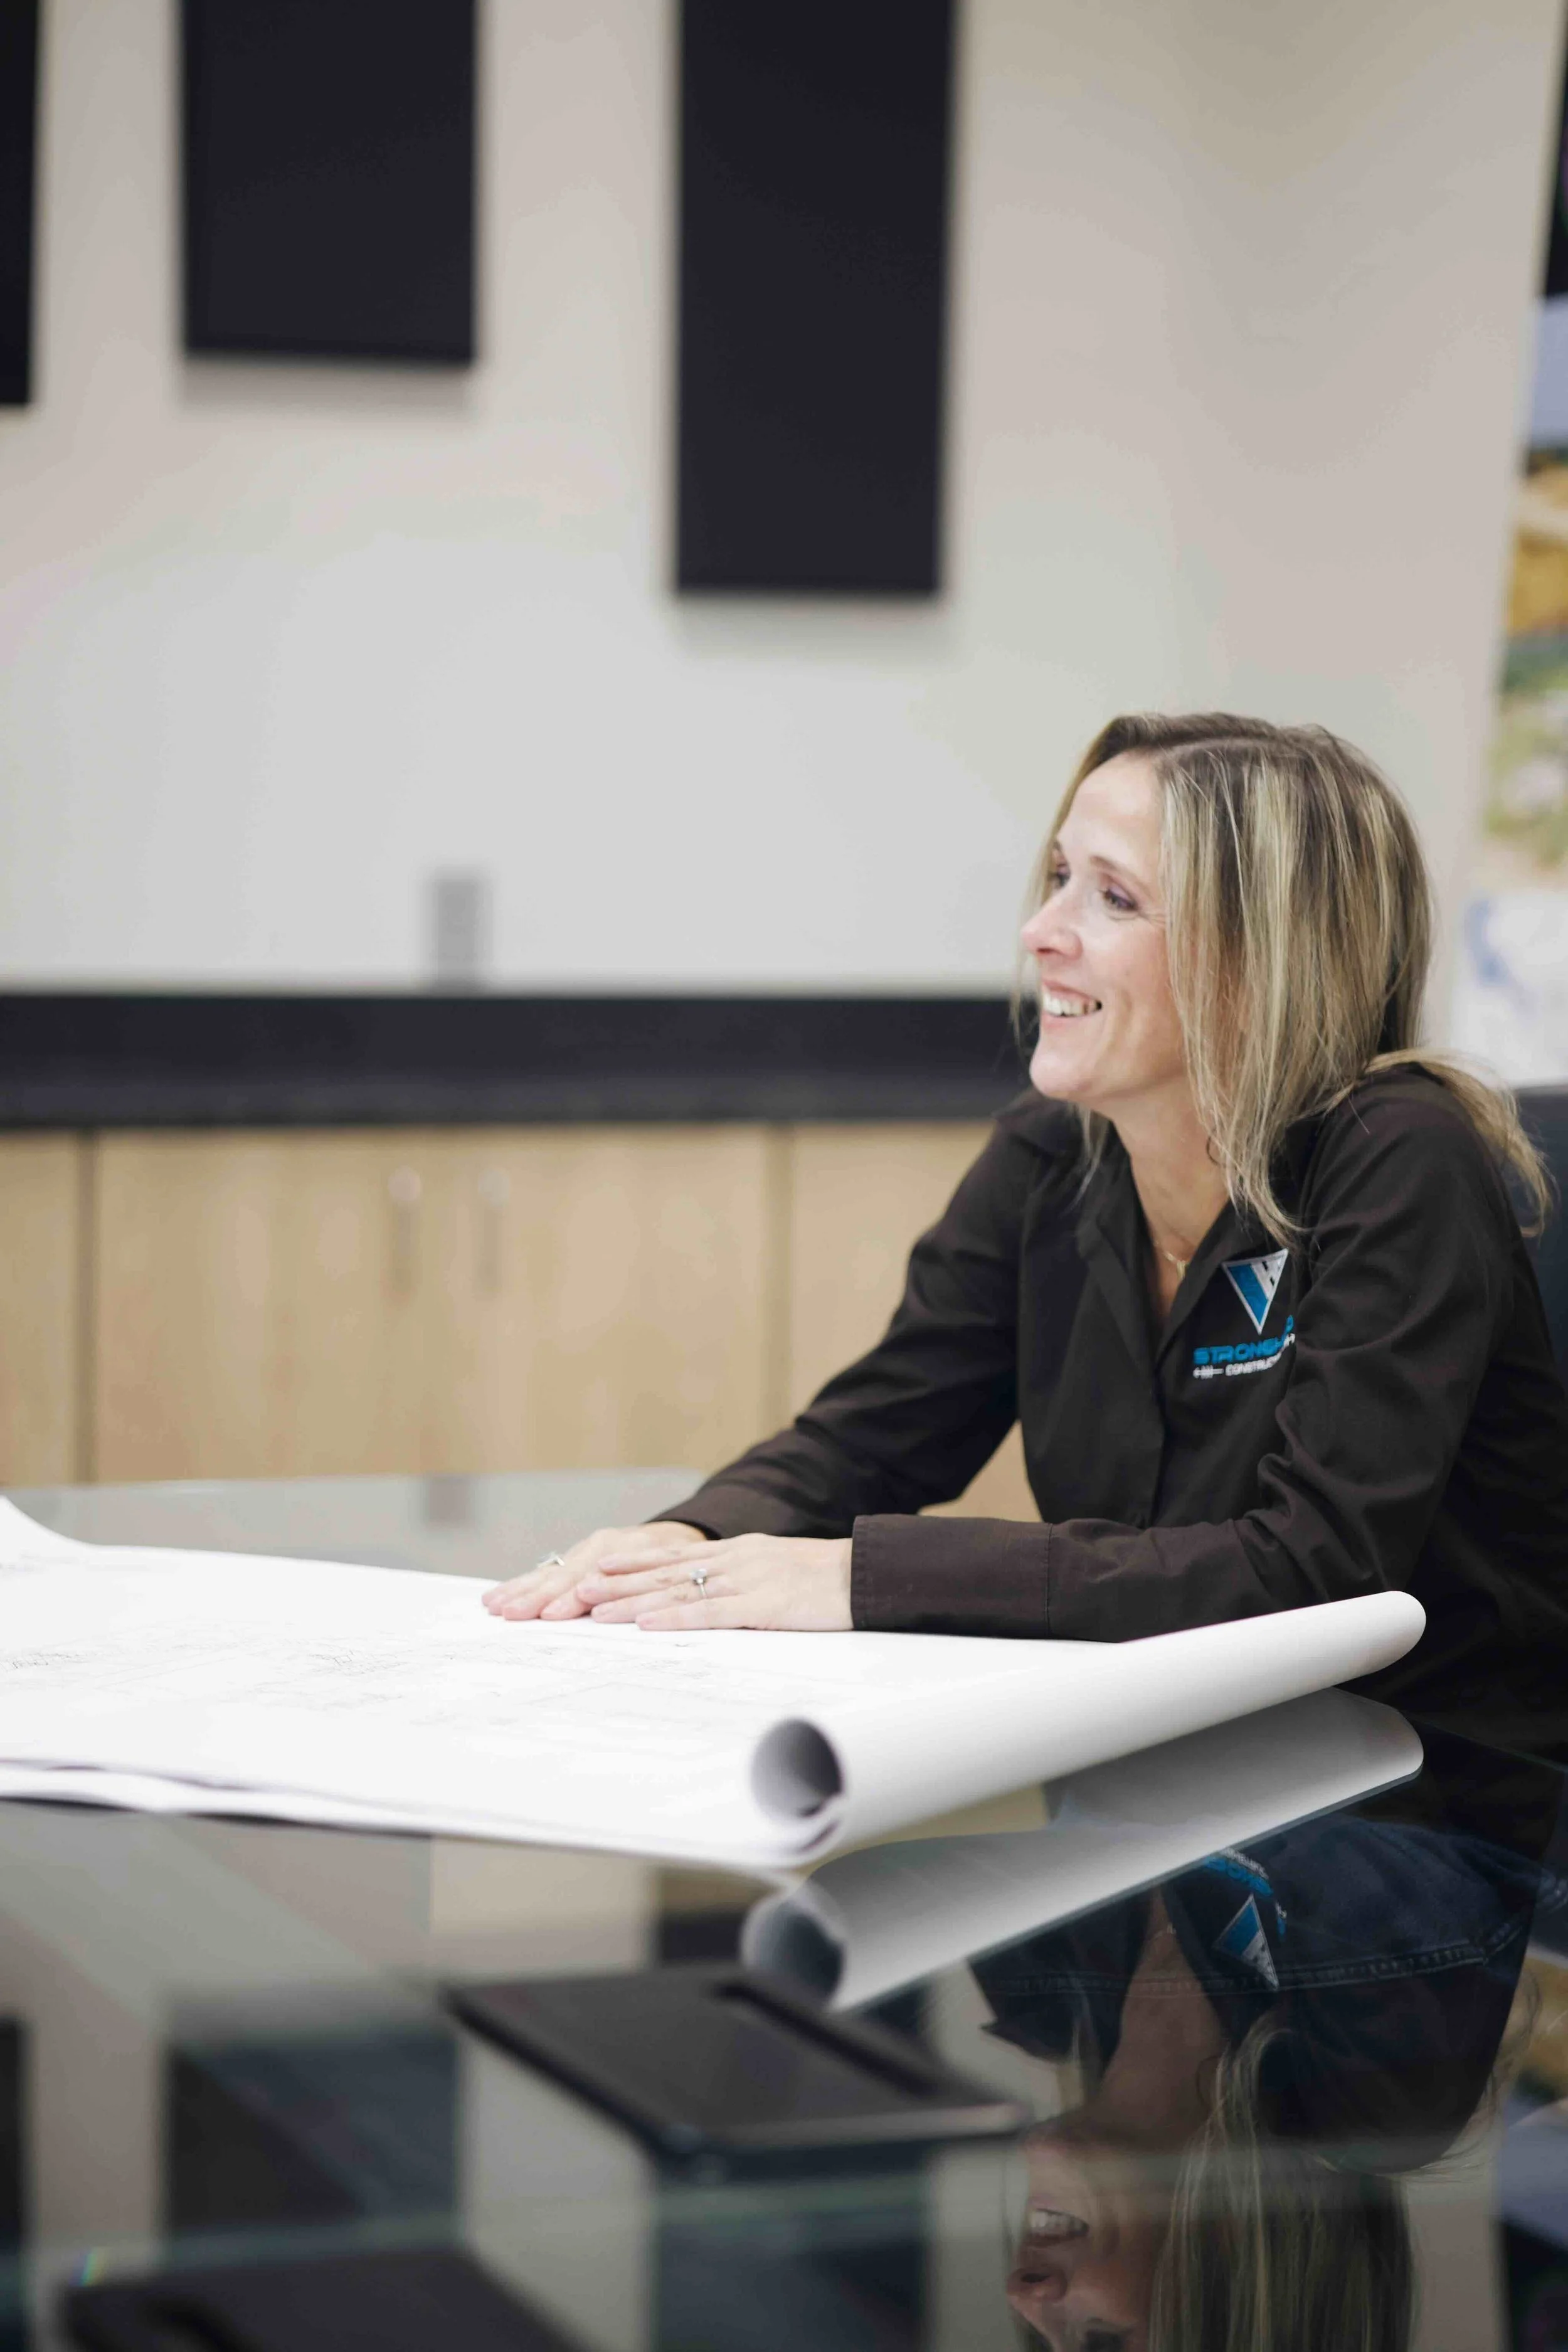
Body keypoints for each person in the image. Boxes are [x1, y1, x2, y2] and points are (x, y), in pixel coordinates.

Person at [483, 712, 1568, 1752]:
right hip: (1161, 1762)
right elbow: (877, 1431)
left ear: (1262, 955)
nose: (1041, 932)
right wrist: (698, 1539)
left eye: (1113, 897)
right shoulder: (1054, 1156)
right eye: (1059, 879)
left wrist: (865, 1577)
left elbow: (1314, 1570)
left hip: (1421, 1799)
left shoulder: (1399, 1155)